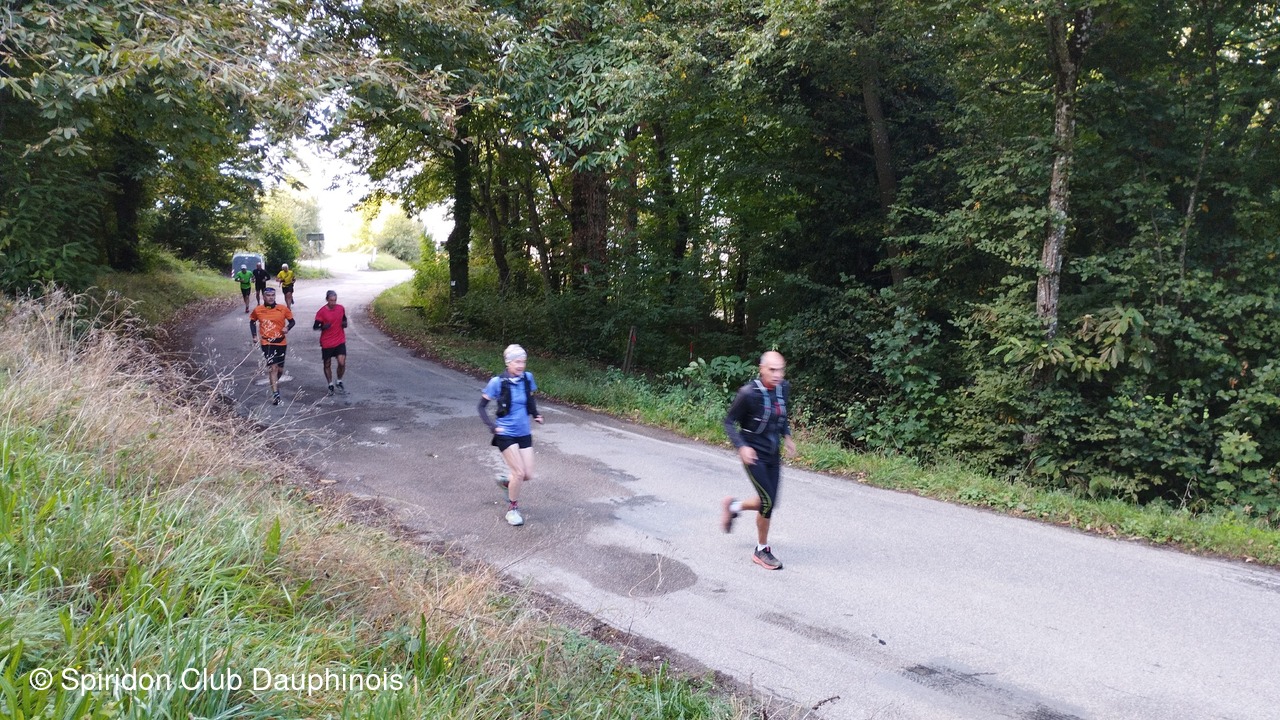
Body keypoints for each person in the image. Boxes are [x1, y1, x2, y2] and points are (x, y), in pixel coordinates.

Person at [721, 350, 797, 570]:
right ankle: (761, 550)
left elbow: (781, 415)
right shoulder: (748, 393)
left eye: (780, 370)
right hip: (753, 455)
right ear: (761, 369)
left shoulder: (783, 388)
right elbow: (728, 422)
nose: (777, 375)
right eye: (772, 370)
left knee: (770, 500)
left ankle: (734, 506)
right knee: (768, 503)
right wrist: (742, 446)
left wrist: (787, 437)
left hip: (773, 454)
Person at [477, 344, 544, 526]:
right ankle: (512, 510)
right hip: (505, 432)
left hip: (524, 432)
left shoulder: (527, 378)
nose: (521, 365)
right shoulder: (497, 382)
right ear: (508, 363)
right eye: (517, 362)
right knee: (519, 472)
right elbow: (481, 407)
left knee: (527, 475)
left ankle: (508, 483)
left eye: (523, 362)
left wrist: (536, 414)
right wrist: (492, 427)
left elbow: (530, 399)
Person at [249, 287, 295, 406]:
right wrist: (254, 336)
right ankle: (276, 394)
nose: (271, 297)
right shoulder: (258, 310)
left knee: (280, 370)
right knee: (273, 368)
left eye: (273, 295)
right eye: (268, 295)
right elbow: (252, 321)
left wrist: (287, 328)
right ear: (263, 297)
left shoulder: (282, 309)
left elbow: (292, 321)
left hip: (281, 342)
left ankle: (274, 382)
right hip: (267, 342)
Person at [313, 290, 348, 395]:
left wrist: (344, 323)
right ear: (327, 300)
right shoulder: (321, 312)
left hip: (339, 339)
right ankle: (330, 384)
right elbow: (315, 327)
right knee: (327, 364)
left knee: (342, 362)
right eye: (331, 300)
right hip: (327, 342)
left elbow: (344, 318)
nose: (333, 303)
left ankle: (339, 381)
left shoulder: (340, 308)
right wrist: (323, 327)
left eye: (335, 300)